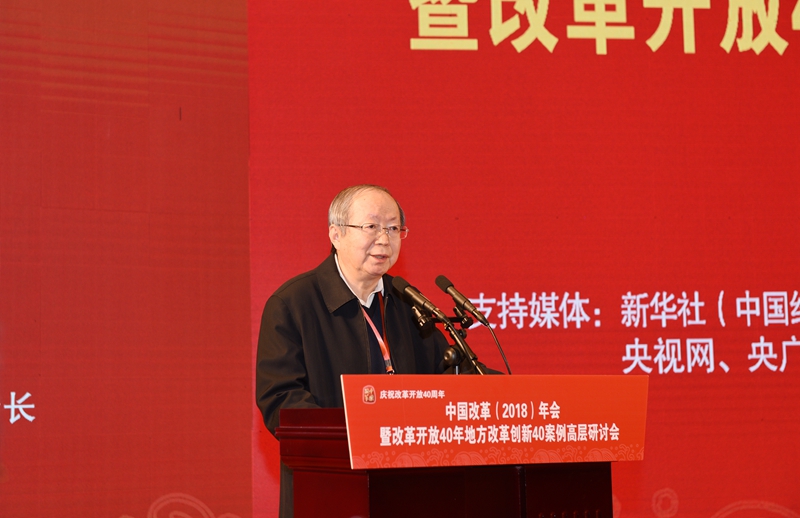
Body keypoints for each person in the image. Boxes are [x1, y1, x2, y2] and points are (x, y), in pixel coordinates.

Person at [255, 184, 450, 518]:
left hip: (407, 487)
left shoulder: (409, 304)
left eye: (394, 228)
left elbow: (450, 376)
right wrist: (356, 438)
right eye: (371, 226)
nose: (384, 239)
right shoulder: (293, 304)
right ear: (336, 234)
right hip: (329, 488)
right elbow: (280, 400)